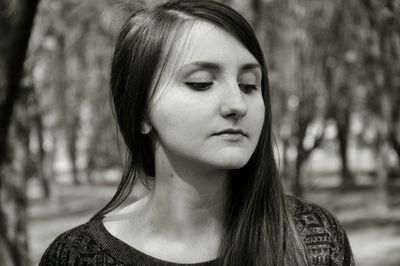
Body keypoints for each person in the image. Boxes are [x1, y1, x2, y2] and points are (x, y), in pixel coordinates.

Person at [39, 0, 354, 265]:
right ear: (140, 112)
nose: (237, 105)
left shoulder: (314, 242)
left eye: (249, 85)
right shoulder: (77, 256)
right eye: (201, 82)